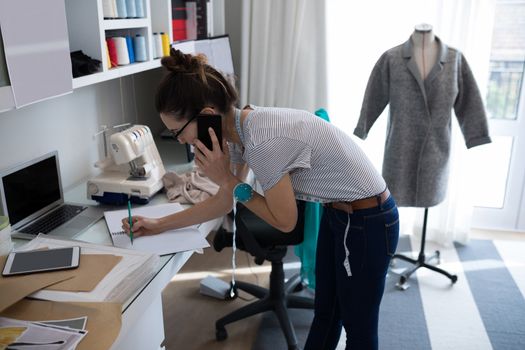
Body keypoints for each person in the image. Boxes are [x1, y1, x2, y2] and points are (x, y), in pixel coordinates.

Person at [121, 48, 399, 350]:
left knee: (359, 333)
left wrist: (228, 179)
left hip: (367, 222)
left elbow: (284, 220)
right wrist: (158, 224)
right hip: (341, 216)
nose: (180, 141)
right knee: (327, 316)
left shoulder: (262, 141)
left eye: (178, 132)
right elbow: (225, 201)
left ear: (207, 117)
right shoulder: (243, 126)